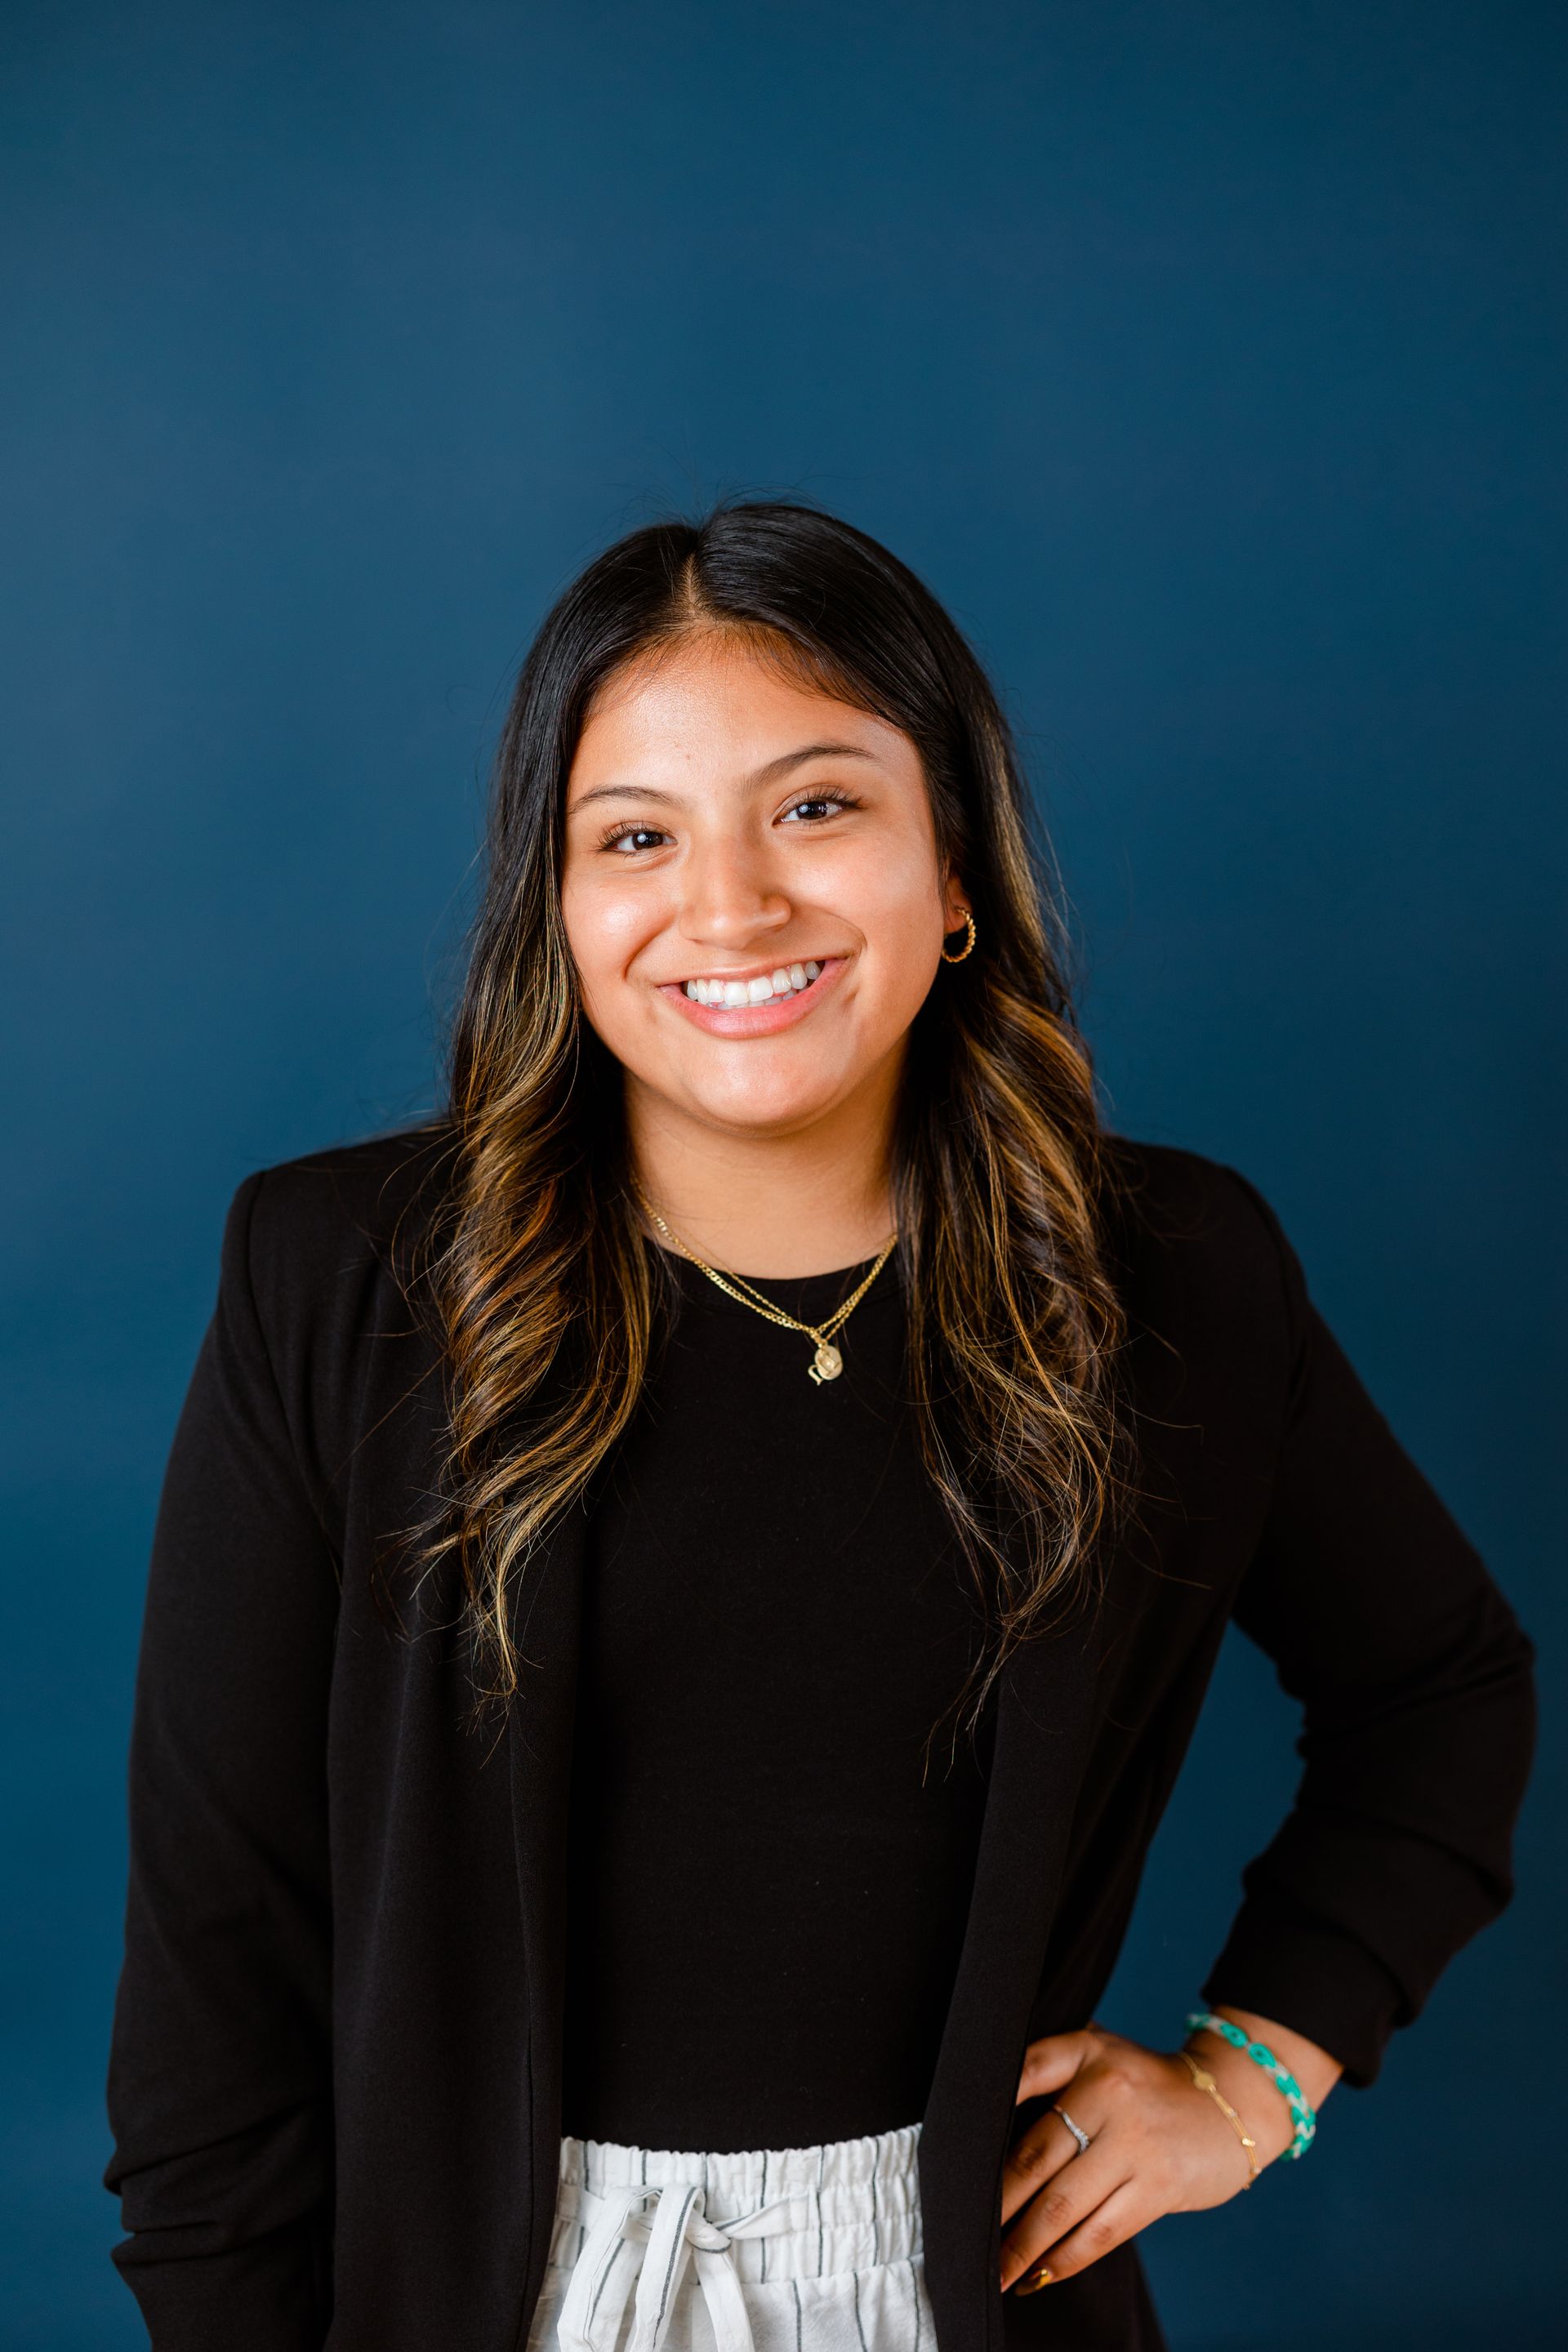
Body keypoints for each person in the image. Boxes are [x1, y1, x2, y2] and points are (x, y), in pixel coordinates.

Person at [102, 501, 1536, 2352]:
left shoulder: (1173, 1279)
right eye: (636, 836)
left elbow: (1441, 1693)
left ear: (957, 868)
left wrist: (1259, 2075)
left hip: (966, 2293)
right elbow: (216, 1980)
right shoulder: (343, 1285)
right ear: (560, 909)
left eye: (817, 806)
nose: (730, 908)